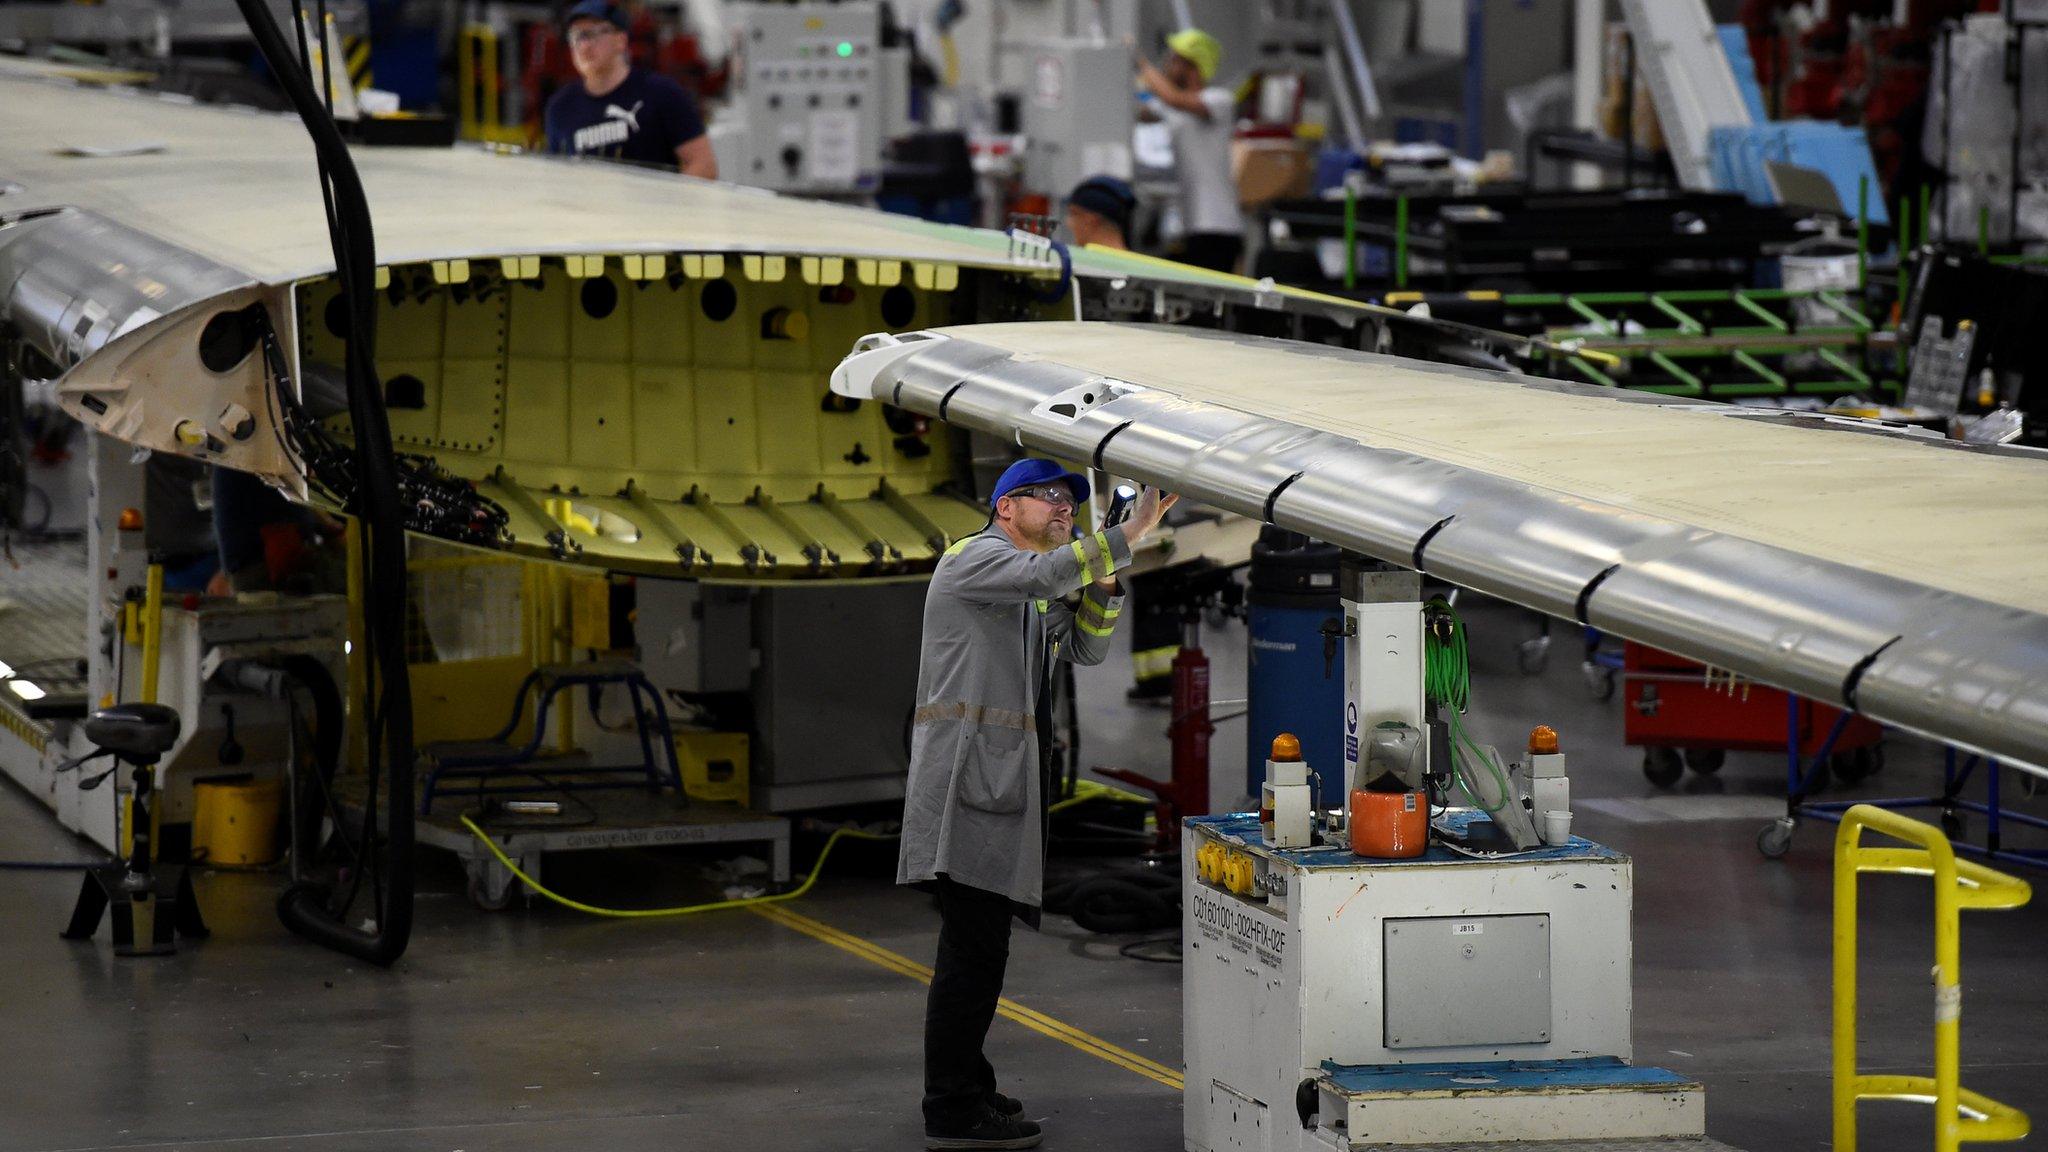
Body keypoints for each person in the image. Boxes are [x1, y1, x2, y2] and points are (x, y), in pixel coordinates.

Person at [902, 458, 1175, 1150]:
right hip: (967, 789)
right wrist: (1130, 532)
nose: (1063, 508)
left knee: (979, 952)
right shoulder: (974, 562)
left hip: (999, 791)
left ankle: (967, 1085)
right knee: (972, 953)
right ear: (1004, 508)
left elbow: (1083, 646)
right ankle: (952, 1107)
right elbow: (1044, 575)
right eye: (1048, 498)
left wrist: (1106, 574)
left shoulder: (1024, 588)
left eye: (1069, 501)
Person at [544, 0, 718, 178]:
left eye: (593, 34)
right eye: (576, 36)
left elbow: (703, 164)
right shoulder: (560, 108)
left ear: (621, 40)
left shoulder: (660, 93)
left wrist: (671, 202)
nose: (584, 46)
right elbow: (558, 178)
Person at [1135, 29, 1243, 273]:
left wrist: (1139, 62)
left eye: (1173, 59)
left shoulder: (1218, 100)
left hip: (1218, 226)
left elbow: (1172, 98)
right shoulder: (1173, 109)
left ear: (1192, 66)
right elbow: (1144, 110)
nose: (1166, 65)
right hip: (1192, 225)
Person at [1062, 174, 1136, 250]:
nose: (1069, 223)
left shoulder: (1076, 260)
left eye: (1073, 214)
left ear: (1090, 219)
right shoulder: (1142, 261)